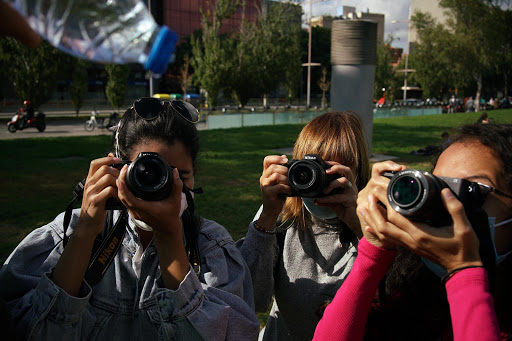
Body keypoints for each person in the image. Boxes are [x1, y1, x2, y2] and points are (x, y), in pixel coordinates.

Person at [0, 97, 260, 340]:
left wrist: (169, 235)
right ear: (116, 169)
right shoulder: (67, 234)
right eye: (149, 172)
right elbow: (28, 330)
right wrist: (85, 232)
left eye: (181, 175)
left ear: (195, 178)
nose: (165, 187)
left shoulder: (209, 247)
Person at [313, 123, 512, 340]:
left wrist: (464, 271)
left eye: (472, 191)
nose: (449, 206)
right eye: (441, 188)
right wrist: (374, 249)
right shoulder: (412, 290)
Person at [237, 111, 371, 340]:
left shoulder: (374, 224)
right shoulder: (282, 217)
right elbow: (249, 299)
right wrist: (267, 216)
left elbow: (398, 305)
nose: (318, 183)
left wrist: (361, 228)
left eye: (329, 172)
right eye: (308, 171)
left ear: (355, 175)